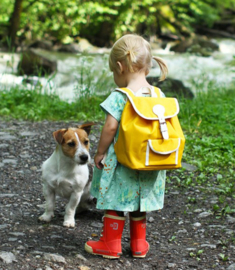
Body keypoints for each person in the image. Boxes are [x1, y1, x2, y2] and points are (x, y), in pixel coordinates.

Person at [85, 34, 168, 259]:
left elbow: (110, 127)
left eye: (114, 72)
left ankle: (111, 244)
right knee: (139, 202)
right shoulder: (158, 95)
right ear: (147, 67)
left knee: (116, 200)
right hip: (150, 160)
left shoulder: (120, 96)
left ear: (120, 67)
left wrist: (100, 152)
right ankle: (139, 245)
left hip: (123, 161)